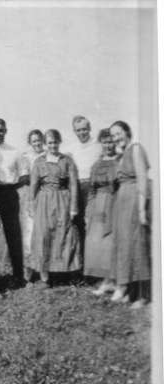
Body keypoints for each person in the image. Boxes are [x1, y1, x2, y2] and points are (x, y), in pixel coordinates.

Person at [30, 129, 81, 288]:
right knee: (44, 236)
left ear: (59, 142)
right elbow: (33, 186)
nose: (53, 145)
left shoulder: (67, 161)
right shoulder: (38, 162)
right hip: (44, 200)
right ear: (45, 144)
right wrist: (32, 206)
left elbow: (73, 185)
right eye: (49, 142)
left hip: (62, 200)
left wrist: (73, 208)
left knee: (63, 235)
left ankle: (63, 273)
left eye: (55, 142)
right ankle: (44, 277)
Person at [109, 120, 151, 308]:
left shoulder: (136, 149)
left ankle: (143, 295)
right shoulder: (122, 154)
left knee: (137, 245)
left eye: (118, 133)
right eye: (113, 135)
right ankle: (131, 291)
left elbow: (142, 179)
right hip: (122, 202)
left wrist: (142, 210)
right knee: (125, 246)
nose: (116, 137)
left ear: (127, 132)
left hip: (134, 200)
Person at [0, 117, 24, 282]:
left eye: (1, 130)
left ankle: (18, 274)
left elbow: (23, 174)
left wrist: (13, 187)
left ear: (6, 131)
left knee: (13, 235)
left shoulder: (15, 151)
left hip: (9, 193)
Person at [84, 129, 119, 294]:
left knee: (111, 241)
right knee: (97, 242)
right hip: (98, 203)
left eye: (111, 141)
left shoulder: (121, 161)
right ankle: (104, 280)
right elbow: (91, 189)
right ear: (101, 144)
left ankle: (115, 280)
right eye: (105, 142)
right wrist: (89, 209)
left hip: (115, 203)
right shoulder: (96, 164)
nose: (108, 145)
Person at [63, 115, 101, 267]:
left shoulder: (98, 145)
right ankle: (82, 265)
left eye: (84, 129)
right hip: (77, 188)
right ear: (74, 131)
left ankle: (95, 265)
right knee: (78, 226)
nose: (82, 132)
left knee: (94, 224)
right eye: (78, 130)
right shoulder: (71, 149)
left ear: (90, 128)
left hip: (93, 188)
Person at [19, 129, 45, 282]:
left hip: (45, 197)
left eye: (39, 140)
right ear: (30, 143)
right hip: (30, 198)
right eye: (34, 141)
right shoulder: (26, 157)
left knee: (43, 235)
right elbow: (23, 178)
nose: (37, 143)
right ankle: (27, 272)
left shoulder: (48, 155)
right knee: (28, 236)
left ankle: (44, 270)